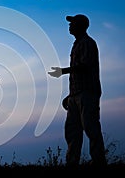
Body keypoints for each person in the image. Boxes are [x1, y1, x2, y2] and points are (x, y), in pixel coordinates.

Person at [48, 14, 107, 167]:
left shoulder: (87, 43)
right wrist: (71, 96)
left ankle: (99, 162)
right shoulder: (78, 44)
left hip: (87, 92)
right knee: (72, 131)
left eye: (72, 23)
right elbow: (79, 72)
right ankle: (72, 162)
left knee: (91, 128)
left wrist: (63, 71)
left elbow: (84, 66)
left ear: (80, 25)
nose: (69, 26)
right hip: (77, 94)